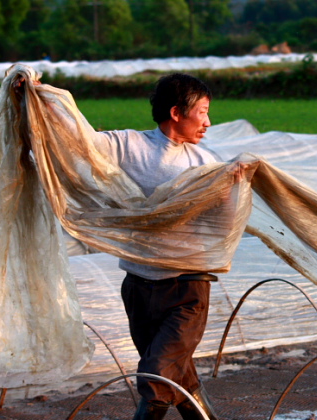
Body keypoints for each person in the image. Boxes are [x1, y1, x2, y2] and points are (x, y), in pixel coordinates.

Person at [94, 73, 221, 420]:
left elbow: (225, 216)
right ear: (177, 112)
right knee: (179, 378)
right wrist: (35, 96)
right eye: (203, 112)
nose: (208, 122)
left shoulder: (206, 165)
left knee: (156, 378)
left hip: (187, 289)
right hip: (138, 286)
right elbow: (72, 140)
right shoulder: (128, 146)